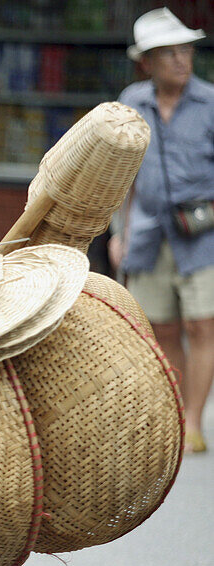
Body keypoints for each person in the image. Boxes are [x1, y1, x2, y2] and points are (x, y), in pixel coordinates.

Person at [109, 7, 213, 454]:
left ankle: (193, 421)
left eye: (185, 50)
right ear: (146, 62)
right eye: (167, 53)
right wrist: (117, 233)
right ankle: (173, 414)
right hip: (149, 233)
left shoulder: (210, 103)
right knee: (164, 330)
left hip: (205, 235)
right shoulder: (130, 103)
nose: (179, 60)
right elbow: (117, 174)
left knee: (202, 326)